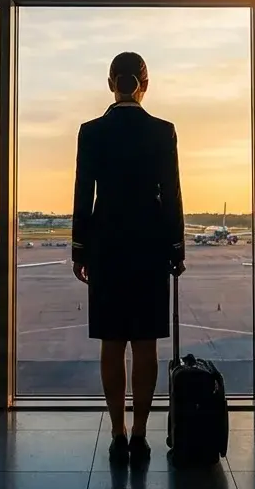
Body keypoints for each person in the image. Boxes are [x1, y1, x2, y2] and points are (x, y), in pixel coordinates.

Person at [71, 51, 185, 464]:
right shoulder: (163, 131)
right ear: (145, 84)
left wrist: (79, 248)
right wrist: (176, 247)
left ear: (110, 83)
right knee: (145, 345)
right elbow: (170, 196)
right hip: (150, 245)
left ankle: (117, 433)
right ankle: (140, 434)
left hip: (106, 246)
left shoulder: (91, 132)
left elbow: (85, 195)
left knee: (111, 343)